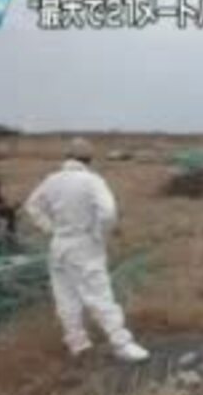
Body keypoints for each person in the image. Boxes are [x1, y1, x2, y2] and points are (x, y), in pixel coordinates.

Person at [24, 138, 149, 362]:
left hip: (58, 245)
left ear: (67, 157)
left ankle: (78, 343)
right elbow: (108, 212)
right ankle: (122, 344)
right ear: (89, 159)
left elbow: (32, 206)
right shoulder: (91, 181)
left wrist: (49, 228)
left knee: (66, 296)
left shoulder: (51, 180)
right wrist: (98, 233)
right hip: (83, 244)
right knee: (100, 295)